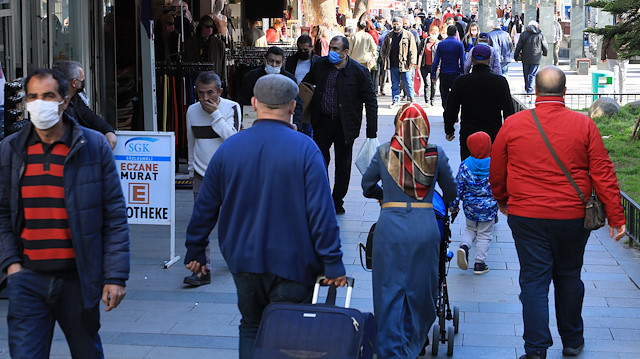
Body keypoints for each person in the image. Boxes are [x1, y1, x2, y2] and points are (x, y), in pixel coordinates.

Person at [184, 74, 347, 359]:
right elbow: (322, 213)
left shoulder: (229, 149)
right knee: (289, 335)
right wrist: (332, 261)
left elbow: (205, 205)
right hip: (294, 263)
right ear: (293, 107)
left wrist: (195, 248)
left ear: (254, 103)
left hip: (244, 260)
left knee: (251, 326)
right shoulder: (306, 150)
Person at [490, 66, 627, 359]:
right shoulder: (584, 125)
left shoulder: (513, 125)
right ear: (564, 92)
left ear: (535, 92)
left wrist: (502, 198)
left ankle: (536, 348)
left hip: (526, 215)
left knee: (534, 280)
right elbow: (602, 171)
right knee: (568, 275)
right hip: (572, 216)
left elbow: (497, 169)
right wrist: (616, 217)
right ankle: (573, 341)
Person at [0, 68, 130, 358]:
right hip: (27, 281)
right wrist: (11, 265)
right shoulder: (10, 150)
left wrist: (115, 276)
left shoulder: (93, 146)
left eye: (48, 96)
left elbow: (114, 216)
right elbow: (2, 213)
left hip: (78, 279)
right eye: (32, 96)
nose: (39, 103)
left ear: (64, 100)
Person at [361, 103, 456, 359]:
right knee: (421, 287)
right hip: (425, 225)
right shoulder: (435, 154)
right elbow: (451, 191)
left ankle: (391, 347)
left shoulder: (383, 153)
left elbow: (366, 185)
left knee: (389, 287)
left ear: (398, 125)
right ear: (424, 126)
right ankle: (414, 342)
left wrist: (384, 197)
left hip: (390, 226)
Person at [302, 36, 378, 215]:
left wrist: (371, 132)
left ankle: (337, 200)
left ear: (346, 52)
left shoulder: (359, 72)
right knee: (320, 161)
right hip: (322, 121)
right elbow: (305, 86)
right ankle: (323, 197)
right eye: (331, 48)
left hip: (346, 125)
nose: (332, 53)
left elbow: (371, 101)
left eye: (336, 49)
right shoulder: (320, 65)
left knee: (343, 165)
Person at [183, 71, 240, 286]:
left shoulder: (231, 107)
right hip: (200, 175)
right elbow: (191, 143)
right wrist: (190, 172)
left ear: (219, 92)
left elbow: (233, 139)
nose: (205, 99)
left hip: (227, 175)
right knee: (200, 226)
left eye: (210, 93)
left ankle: (234, 257)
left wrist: (215, 114)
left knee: (230, 223)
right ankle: (201, 270)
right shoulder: (191, 110)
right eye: (201, 93)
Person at [444, 44, 514, 160]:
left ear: (471, 59)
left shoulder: (461, 81)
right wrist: (510, 135)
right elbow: (508, 110)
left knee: (468, 167)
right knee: (492, 168)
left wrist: (449, 129)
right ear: (490, 59)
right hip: (493, 134)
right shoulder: (500, 82)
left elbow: (451, 108)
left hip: (469, 133)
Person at [450, 131, 497, 275]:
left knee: (470, 229)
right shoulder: (494, 164)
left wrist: (454, 205)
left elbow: (458, 187)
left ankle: (464, 246)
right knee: (484, 234)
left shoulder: (465, 165)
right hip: (488, 208)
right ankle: (479, 264)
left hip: (470, 207)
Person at [55, 60, 118, 149]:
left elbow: (90, 117)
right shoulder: (55, 104)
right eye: (82, 79)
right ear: (74, 83)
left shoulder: (75, 98)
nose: (83, 81)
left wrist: (108, 131)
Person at [236, 46, 302, 130]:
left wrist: (296, 124)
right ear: (264, 60)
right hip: (255, 123)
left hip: (282, 125)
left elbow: (297, 104)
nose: (274, 65)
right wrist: (240, 119)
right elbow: (242, 100)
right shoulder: (251, 77)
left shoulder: (290, 79)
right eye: (271, 61)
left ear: (283, 63)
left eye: (277, 62)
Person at [381, 16, 418, 107]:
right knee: (394, 84)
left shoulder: (408, 35)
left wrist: (412, 61)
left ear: (401, 24)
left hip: (405, 64)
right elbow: (383, 49)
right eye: (394, 24)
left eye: (397, 24)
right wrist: (384, 58)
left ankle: (411, 99)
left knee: (408, 82)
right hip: (393, 64)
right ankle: (395, 100)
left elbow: (413, 49)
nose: (396, 26)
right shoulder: (389, 36)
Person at [431, 25, 464, 110]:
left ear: (447, 33)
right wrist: (463, 72)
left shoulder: (441, 44)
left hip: (444, 72)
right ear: (455, 33)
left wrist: (433, 74)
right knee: (456, 94)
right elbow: (462, 61)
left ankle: (446, 110)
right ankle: (454, 113)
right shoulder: (459, 45)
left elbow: (436, 60)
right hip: (455, 73)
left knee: (444, 94)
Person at [184, 16, 226, 83]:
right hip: (195, 79)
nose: (210, 29)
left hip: (213, 79)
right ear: (201, 27)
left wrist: (223, 81)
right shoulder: (190, 43)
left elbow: (223, 66)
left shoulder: (219, 44)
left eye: (211, 27)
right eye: (207, 27)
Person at [514, 20, 548, 94]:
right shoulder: (540, 34)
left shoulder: (524, 34)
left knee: (526, 73)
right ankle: (530, 89)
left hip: (525, 57)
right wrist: (545, 53)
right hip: (536, 57)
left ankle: (528, 88)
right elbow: (545, 45)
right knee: (532, 73)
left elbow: (519, 46)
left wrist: (516, 56)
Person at [418, 25, 439, 107]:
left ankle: (432, 99)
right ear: (430, 33)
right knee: (427, 83)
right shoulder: (424, 42)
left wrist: (439, 66)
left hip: (435, 67)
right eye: (432, 33)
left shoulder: (439, 43)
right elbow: (419, 51)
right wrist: (417, 64)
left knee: (433, 84)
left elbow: (441, 56)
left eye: (435, 33)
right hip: (425, 65)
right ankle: (427, 100)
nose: (434, 35)